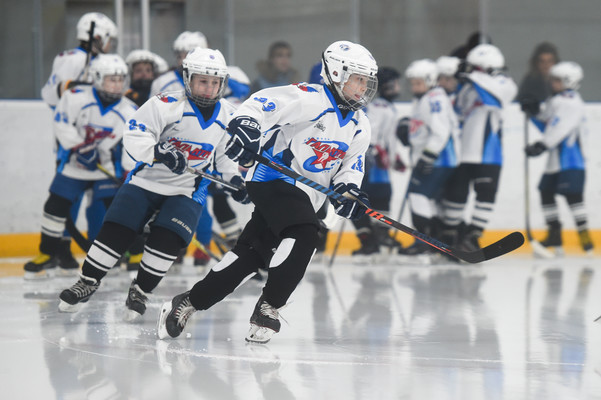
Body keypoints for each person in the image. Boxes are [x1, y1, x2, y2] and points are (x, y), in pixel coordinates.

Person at [157, 40, 378, 343]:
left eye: (366, 81)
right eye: (358, 79)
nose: (363, 88)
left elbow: (352, 165)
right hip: (272, 179)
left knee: (251, 254)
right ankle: (269, 307)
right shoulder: (310, 99)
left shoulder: (360, 124)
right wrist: (247, 125)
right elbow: (260, 104)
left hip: (306, 197)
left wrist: (349, 189)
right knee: (305, 232)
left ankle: (187, 302)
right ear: (337, 73)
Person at [57, 47, 249, 320]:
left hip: (187, 189)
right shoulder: (165, 103)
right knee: (118, 230)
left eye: (215, 82)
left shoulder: (229, 115)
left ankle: (141, 291)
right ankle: (87, 282)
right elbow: (136, 131)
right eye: (202, 81)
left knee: (167, 241)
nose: (208, 89)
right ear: (188, 79)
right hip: (146, 181)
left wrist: (235, 181)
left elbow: (226, 157)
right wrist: (159, 152)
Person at [24, 54, 136, 279]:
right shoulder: (75, 97)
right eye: (111, 79)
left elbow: (133, 142)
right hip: (75, 165)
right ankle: (48, 253)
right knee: (55, 207)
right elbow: (61, 123)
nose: (117, 84)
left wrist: (128, 170)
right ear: (96, 78)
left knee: (118, 211)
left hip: (105, 167)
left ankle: (129, 253)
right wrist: (79, 146)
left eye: (120, 79)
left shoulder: (130, 110)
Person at [39, 12, 118, 273]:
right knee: (68, 197)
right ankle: (61, 248)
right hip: (73, 142)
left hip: (100, 142)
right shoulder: (72, 59)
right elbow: (51, 94)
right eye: (107, 39)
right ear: (97, 36)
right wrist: (75, 85)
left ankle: (96, 250)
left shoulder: (105, 63)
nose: (109, 45)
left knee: (99, 198)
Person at [439, 44, 517, 252]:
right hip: (463, 153)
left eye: (475, 66)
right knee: (455, 195)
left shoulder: (505, 83)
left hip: (489, 154)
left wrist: (471, 77)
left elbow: (494, 98)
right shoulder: (468, 88)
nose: (471, 69)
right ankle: (450, 236)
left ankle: (473, 237)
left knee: (485, 196)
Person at [525, 61, 594, 255]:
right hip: (556, 161)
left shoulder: (571, 102)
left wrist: (541, 145)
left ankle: (585, 240)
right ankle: (555, 236)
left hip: (571, 160)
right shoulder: (556, 100)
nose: (552, 83)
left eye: (556, 80)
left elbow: (559, 129)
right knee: (545, 191)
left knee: (573, 198)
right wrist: (533, 113)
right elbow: (547, 124)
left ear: (569, 82)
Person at [396, 59, 459, 255]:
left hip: (439, 159)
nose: (414, 87)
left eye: (418, 83)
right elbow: (423, 128)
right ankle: (435, 242)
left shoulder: (434, 99)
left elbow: (441, 131)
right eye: (413, 83)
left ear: (431, 81)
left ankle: (425, 243)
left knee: (418, 196)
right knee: (427, 200)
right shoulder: (426, 98)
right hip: (435, 158)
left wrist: (427, 157)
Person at [352, 66, 405, 257]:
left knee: (382, 196)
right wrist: (376, 150)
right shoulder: (379, 107)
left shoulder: (387, 106)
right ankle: (373, 239)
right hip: (372, 162)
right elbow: (371, 132)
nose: (398, 87)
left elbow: (388, 137)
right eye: (396, 84)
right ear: (388, 86)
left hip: (380, 163)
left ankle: (380, 235)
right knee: (371, 197)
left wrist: (394, 156)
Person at [150, 31, 208, 97]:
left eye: (187, 56)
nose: (182, 61)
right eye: (179, 56)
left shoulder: (214, 81)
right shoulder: (161, 82)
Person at [517, 42, 560, 114]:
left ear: (555, 62)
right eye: (542, 61)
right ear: (536, 63)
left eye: (550, 61)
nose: (546, 65)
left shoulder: (562, 83)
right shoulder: (530, 82)